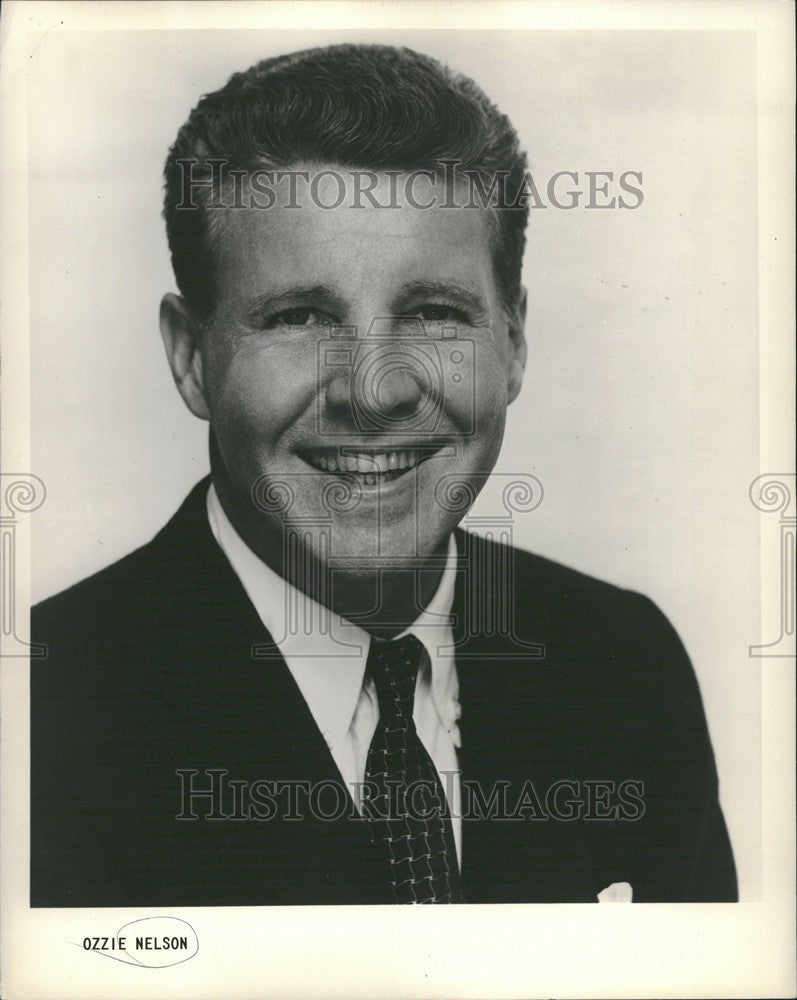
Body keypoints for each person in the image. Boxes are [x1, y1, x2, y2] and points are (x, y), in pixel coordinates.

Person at [30, 43, 737, 906]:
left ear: (512, 342)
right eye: (297, 317)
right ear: (190, 359)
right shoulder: (41, 709)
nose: (376, 390)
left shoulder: (622, 666)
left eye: (435, 312)